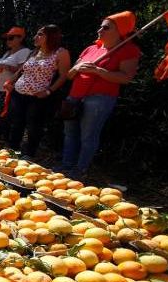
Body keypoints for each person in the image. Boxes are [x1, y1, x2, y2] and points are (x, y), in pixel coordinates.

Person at [60, 11, 141, 178]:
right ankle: (66, 166)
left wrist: (97, 71)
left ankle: (79, 170)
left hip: (99, 99)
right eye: (100, 26)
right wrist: (76, 69)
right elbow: (69, 74)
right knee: (70, 133)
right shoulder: (91, 48)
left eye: (106, 27)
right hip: (74, 96)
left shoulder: (129, 50)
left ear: (120, 31)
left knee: (88, 135)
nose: (100, 30)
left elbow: (126, 77)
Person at [6, 25, 70, 158]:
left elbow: (64, 76)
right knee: (16, 122)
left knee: (34, 125)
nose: (35, 37)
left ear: (51, 36)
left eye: (40, 34)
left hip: (38, 96)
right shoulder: (34, 51)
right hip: (18, 93)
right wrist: (10, 82)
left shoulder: (61, 52)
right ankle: (11, 150)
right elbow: (21, 70)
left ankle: (29, 154)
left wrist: (48, 91)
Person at [0, 27, 31, 139]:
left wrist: (5, 66)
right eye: (7, 38)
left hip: (8, 90)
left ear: (21, 38)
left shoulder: (25, 52)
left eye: (11, 38)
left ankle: (6, 141)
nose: (8, 41)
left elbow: (22, 70)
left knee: (6, 116)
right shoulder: (7, 53)